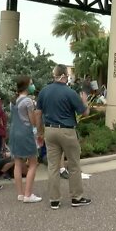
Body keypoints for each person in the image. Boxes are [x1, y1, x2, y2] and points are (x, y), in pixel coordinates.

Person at [35, 64, 92, 210]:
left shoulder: (44, 91)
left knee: (53, 166)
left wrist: (40, 131)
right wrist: (85, 100)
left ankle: (54, 200)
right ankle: (76, 197)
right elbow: (84, 113)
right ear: (64, 76)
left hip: (50, 130)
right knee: (74, 164)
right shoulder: (70, 92)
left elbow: (38, 113)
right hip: (67, 131)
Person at [9, 76, 42, 203]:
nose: (32, 86)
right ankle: (28, 194)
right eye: (31, 83)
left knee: (17, 163)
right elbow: (32, 121)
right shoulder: (28, 101)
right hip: (26, 133)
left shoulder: (13, 101)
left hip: (14, 133)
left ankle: (20, 194)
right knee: (33, 163)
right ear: (26, 86)